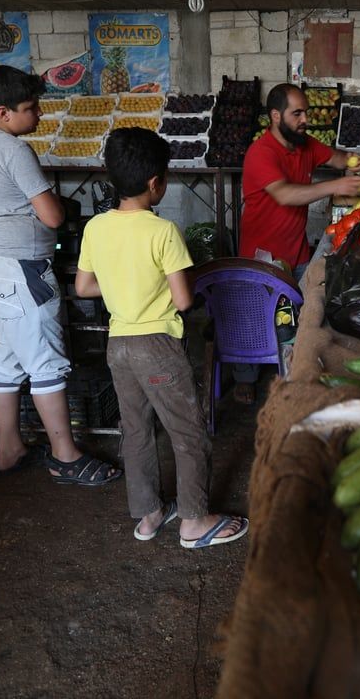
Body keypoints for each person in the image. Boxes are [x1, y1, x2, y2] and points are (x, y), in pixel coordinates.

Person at [0, 66, 121, 486]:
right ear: (4, 112)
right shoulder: (13, 151)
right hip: (22, 268)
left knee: (3, 360)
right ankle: (65, 456)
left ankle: (9, 449)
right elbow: (53, 216)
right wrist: (25, 195)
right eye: (30, 109)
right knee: (46, 362)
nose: (37, 115)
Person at [74, 128, 248, 548]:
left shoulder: (96, 228)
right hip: (157, 347)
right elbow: (184, 299)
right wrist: (158, 285)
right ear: (156, 183)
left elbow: (83, 288)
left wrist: (123, 288)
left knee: (135, 431)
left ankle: (149, 515)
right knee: (188, 433)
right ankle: (193, 521)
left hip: (118, 346)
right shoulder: (163, 231)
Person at [235, 82, 360, 403]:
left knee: (292, 319)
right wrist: (337, 185)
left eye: (306, 112)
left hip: (296, 253)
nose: (305, 119)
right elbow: (284, 194)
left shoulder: (305, 145)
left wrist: (353, 162)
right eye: (297, 113)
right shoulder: (261, 153)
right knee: (255, 319)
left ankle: (291, 373)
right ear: (275, 116)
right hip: (262, 259)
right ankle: (245, 378)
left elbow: (335, 158)